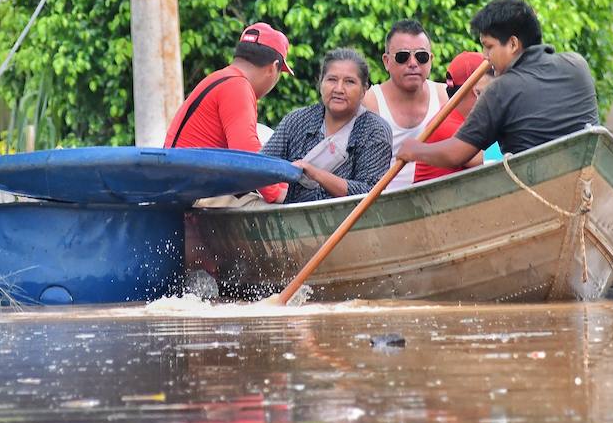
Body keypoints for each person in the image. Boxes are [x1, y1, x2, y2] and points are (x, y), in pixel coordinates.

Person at [398, 0, 599, 169]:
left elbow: (456, 154)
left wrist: (415, 149)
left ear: (513, 44)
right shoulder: (577, 64)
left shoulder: (501, 89)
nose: (485, 56)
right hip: (588, 177)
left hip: (535, 190)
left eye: (489, 47)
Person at [165, 22, 293, 281]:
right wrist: (279, 193)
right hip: (195, 195)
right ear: (273, 68)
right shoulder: (237, 87)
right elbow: (247, 153)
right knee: (284, 219)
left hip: (185, 189)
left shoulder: (221, 78)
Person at [262, 49, 393, 204]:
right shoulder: (298, 121)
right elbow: (263, 166)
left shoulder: (374, 131)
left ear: (364, 89)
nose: (338, 89)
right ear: (320, 83)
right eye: (332, 79)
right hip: (295, 221)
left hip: (354, 224)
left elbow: (371, 192)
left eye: (349, 82)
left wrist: (316, 174)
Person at [362, 19, 445, 192]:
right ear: (386, 61)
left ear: (431, 60)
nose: (413, 63)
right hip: (384, 205)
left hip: (439, 200)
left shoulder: (446, 96)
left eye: (421, 56)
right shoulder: (368, 102)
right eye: (403, 56)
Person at [413, 51, 486, 183]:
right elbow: (488, 160)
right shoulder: (445, 125)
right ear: (477, 90)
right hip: (434, 202)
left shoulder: (461, 117)